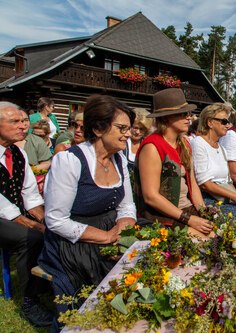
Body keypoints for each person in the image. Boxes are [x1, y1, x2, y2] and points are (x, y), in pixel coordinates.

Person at [39, 95, 141, 328]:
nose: (127, 134)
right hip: (74, 237)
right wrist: (106, 237)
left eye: (129, 129)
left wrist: (122, 230)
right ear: (97, 128)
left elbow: (126, 205)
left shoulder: (119, 160)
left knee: (146, 253)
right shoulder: (69, 161)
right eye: (122, 128)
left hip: (112, 226)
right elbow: (55, 220)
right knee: (105, 271)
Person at [135, 88, 214, 238]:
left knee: (218, 237)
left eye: (189, 113)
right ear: (165, 118)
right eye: (183, 114)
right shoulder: (152, 147)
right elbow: (150, 196)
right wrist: (189, 219)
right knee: (206, 241)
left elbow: (193, 183)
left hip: (186, 210)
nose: (189, 118)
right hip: (161, 217)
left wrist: (204, 212)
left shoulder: (183, 143)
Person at [0, 102, 52, 327]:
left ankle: (45, 284)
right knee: (30, 238)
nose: (23, 126)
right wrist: (31, 226)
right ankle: (29, 301)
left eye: (24, 121)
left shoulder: (18, 153)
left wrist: (46, 221)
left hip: (11, 213)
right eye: (15, 122)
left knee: (53, 228)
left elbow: (30, 195)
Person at [191, 103, 236, 236]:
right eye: (223, 121)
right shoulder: (199, 143)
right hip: (207, 199)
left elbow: (227, 180)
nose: (228, 125)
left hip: (223, 196)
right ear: (210, 122)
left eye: (228, 121)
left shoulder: (220, 147)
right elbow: (204, 184)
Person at [123, 108, 153, 172]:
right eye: (135, 127)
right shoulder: (122, 142)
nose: (137, 132)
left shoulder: (148, 145)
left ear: (146, 131)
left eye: (141, 129)